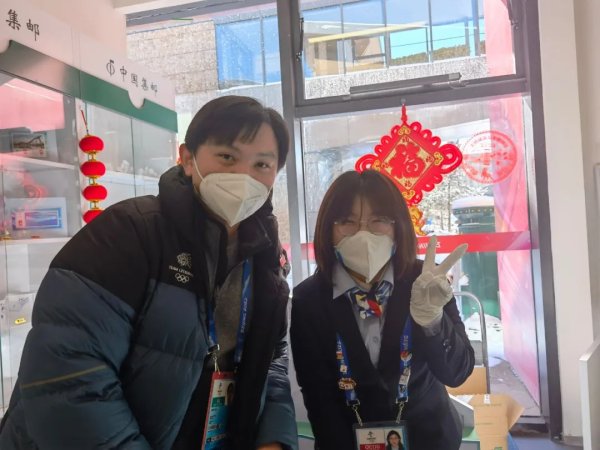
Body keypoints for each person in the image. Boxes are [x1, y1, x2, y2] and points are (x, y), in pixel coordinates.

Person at [0, 95, 298, 450]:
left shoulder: (264, 256)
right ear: (187, 158)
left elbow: (271, 357)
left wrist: (274, 438)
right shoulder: (126, 234)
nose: (243, 176)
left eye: (262, 164)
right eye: (227, 157)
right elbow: (69, 379)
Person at [290, 170, 475, 450]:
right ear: (328, 231)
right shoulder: (309, 299)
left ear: (398, 227)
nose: (363, 234)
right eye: (347, 221)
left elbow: (457, 373)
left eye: (378, 220)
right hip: (348, 441)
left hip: (430, 437)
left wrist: (432, 321)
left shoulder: (426, 280)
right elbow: (318, 395)